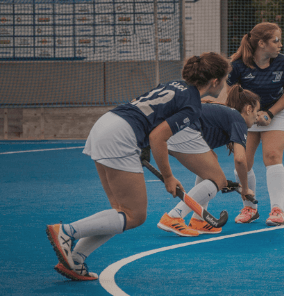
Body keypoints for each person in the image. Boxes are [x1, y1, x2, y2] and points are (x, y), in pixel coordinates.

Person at [45, 52, 230, 281]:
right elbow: (158, 138)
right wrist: (168, 176)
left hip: (107, 124)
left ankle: (76, 259)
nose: (225, 84)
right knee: (135, 215)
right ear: (214, 81)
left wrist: (141, 148)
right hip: (121, 136)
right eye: (224, 79)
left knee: (120, 211)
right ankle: (66, 231)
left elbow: (149, 118)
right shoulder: (193, 105)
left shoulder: (174, 85)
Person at [156, 84, 260, 237]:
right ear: (249, 109)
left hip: (171, 132)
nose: (257, 117)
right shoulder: (238, 119)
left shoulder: (225, 114)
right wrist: (245, 188)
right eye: (257, 111)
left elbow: (208, 159)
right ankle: (174, 216)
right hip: (182, 132)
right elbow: (240, 159)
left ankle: (198, 219)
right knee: (218, 180)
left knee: (211, 166)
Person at [227, 22, 284, 226]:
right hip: (246, 115)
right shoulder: (238, 65)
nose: (280, 45)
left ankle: (277, 210)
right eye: (276, 41)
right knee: (243, 162)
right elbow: (233, 94)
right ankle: (250, 207)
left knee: (272, 156)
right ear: (261, 43)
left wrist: (269, 113)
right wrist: (249, 113)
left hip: (275, 113)